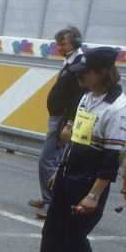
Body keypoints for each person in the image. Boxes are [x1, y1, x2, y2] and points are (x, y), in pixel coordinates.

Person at [20, 47, 126, 252]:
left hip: (89, 181)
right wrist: (59, 170)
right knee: (52, 228)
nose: (80, 76)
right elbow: (74, 139)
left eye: (85, 72)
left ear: (102, 73)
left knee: (75, 237)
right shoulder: (87, 98)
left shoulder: (119, 109)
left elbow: (110, 159)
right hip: (68, 173)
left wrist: (94, 194)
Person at [30, 26, 85, 219]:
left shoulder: (79, 64)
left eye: (63, 43)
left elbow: (77, 98)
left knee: (48, 160)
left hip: (63, 119)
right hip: (59, 117)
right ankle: (49, 199)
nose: (59, 47)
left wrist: (69, 123)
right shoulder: (70, 61)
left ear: (75, 43)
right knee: (54, 160)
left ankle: (51, 202)